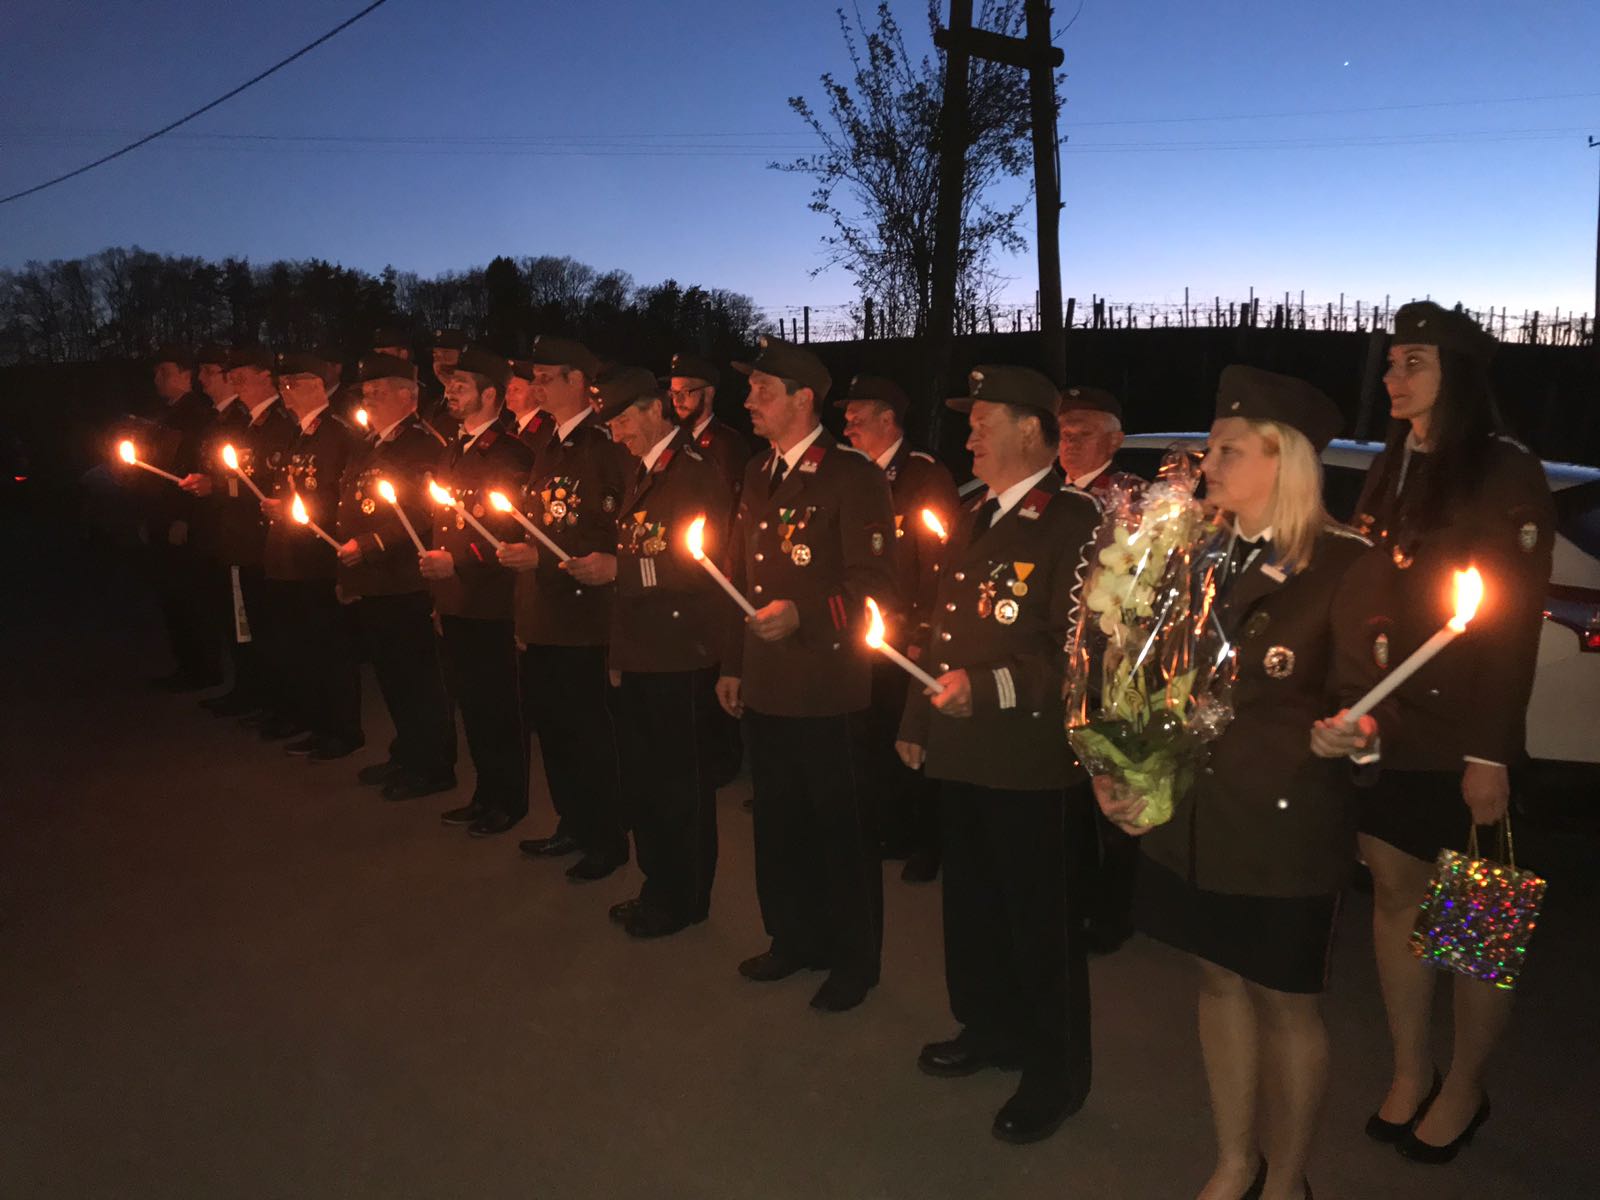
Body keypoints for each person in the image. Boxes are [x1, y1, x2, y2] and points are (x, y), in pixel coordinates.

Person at [1096, 366, 1385, 1200]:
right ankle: (1234, 1160)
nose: (1207, 463)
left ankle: (1287, 1179)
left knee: (1286, 1002)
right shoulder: (1198, 553)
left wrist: (1360, 736)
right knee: (1217, 980)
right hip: (1197, 814)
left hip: (1281, 825)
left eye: (1227, 450)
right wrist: (1123, 767)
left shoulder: (1343, 564)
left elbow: (1370, 698)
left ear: (1282, 460)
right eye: (1211, 448)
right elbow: (1153, 678)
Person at [1344, 301, 1555, 1165]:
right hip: (1392, 727)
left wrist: (1488, 753)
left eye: (1414, 363)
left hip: (1468, 734)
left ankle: (1466, 1084)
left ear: (1457, 375)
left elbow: (1514, 620)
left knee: (1476, 929)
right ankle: (1411, 1067)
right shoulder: (1390, 463)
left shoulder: (1505, 470)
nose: (1393, 378)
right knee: (1396, 898)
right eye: (1391, 362)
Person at [895, 365, 1099, 1144]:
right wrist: (917, 717)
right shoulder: (976, 512)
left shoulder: (1074, 522)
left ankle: (1055, 1073)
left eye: (984, 420)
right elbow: (938, 623)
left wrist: (987, 690)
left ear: (1032, 430)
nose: (970, 433)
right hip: (961, 747)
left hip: (1027, 757)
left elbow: (1080, 654)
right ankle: (989, 1028)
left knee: (1039, 923)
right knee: (974, 908)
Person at [716, 335, 898, 1013]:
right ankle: (793, 938)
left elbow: (875, 587)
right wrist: (734, 664)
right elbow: (741, 579)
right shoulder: (758, 471)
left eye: (762, 390)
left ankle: (854, 961)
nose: (748, 400)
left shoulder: (853, 475)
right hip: (767, 681)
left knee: (840, 831)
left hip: (827, 686)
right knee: (779, 825)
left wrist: (805, 616)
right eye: (751, 389)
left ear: (802, 399)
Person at [591, 367, 733, 936]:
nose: (617, 433)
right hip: (643, 654)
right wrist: (619, 654)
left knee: (680, 786)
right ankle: (658, 886)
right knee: (647, 783)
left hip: (680, 654)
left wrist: (620, 570)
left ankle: (685, 898)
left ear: (655, 409)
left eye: (624, 420)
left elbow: (704, 566)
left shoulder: (696, 473)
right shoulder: (643, 470)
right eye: (611, 424)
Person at [506, 336, 631, 881]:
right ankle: (572, 822)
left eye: (545, 377)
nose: (535, 387)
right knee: (554, 729)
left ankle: (606, 837)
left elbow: (614, 530)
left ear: (578, 380)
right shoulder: (548, 445)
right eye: (533, 378)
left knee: (589, 734)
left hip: (585, 617)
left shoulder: (604, 447)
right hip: (546, 615)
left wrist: (548, 555)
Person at [837, 372, 958, 883]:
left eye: (857, 419)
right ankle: (887, 826)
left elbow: (941, 564)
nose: (847, 428)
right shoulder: (853, 474)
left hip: (909, 636)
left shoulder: (923, 475)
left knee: (914, 740)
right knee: (873, 735)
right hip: (867, 633)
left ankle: (927, 840)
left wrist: (923, 631)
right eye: (846, 419)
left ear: (889, 420)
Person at [418, 345, 535, 837]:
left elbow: (512, 531)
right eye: (450, 383)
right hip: (457, 599)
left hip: (493, 602)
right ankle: (485, 792)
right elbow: (444, 522)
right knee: (471, 703)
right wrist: (440, 594)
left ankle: (509, 800)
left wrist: (460, 562)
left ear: (490, 395)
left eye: (461, 384)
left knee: (500, 706)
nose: (450, 391)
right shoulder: (453, 449)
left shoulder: (510, 453)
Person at [335, 352, 458, 802]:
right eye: (366, 393)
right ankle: (407, 751)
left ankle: (434, 764)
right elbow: (351, 507)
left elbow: (424, 512)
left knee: (418, 678)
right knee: (391, 675)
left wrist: (371, 544)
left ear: (408, 397)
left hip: (407, 580)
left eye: (377, 391)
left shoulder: (421, 445)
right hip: (374, 580)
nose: (368, 399)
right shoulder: (370, 443)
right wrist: (348, 572)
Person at [1056, 384, 1146, 953]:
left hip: (1106, 668)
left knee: (1108, 791)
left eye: (1082, 433)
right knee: (1069, 792)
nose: (1068, 442)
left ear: (1114, 441)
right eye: (1063, 432)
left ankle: (1112, 911)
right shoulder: (1052, 495)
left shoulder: (1127, 501)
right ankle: (1072, 895)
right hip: (1061, 666)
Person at [260, 350, 364, 761]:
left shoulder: (338, 435)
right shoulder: (296, 433)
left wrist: (293, 509)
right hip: (292, 556)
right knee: (304, 646)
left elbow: (341, 496)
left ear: (319, 387)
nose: (285, 392)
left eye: (293, 384)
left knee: (332, 649)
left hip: (321, 557)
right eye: (282, 385)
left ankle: (342, 729)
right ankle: (317, 722)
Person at [202, 345, 294, 723]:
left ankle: (280, 702)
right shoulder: (245, 424)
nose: (235, 379)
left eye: (243, 372)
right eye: (232, 373)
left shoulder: (281, 424)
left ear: (266, 376)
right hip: (240, 540)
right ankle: (256, 692)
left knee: (273, 629)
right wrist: (214, 485)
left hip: (265, 542)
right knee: (248, 625)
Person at [130, 345, 223, 692]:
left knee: (191, 596)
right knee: (172, 596)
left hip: (182, 520)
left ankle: (204, 667)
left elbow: (197, 467)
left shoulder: (197, 416)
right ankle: (187, 664)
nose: (158, 379)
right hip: (160, 514)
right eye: (156, 373)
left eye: (165, 372)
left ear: (186, 375)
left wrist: (184, 518)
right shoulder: (163, 415)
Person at [668, 352, 751, 497]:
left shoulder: (728, 444)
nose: (677, 401)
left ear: (709, 393)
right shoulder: (672, 439)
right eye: (674, 393)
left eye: (686, 392)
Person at [1055, 385, 1144, 498]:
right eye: (1066, 434)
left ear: (1114, 441)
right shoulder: (1047, 490)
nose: (1072, 442)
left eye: (1085, 433)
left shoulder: (1133, 495)